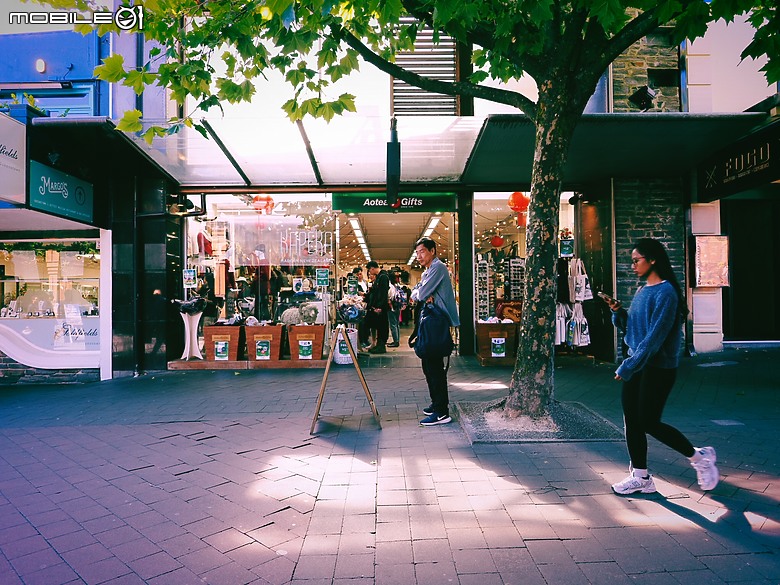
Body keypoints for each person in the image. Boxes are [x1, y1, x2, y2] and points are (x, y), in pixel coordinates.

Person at [604, 238, 718, 495]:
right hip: (637, 363)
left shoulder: (667, 293)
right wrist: (619, 313)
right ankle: (641, 478)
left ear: (652, 259)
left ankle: (699, 457)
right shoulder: (643, 290)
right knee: (632, 421)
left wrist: (627, 366)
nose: (632, 266)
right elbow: (634, 331)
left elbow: (654, 339)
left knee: (648, 422)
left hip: (657, 367)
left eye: (636, 260)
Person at [410, 237, 459, 426]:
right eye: (417, 253)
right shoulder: (428, 270)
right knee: (429, 366)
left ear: (432, 251)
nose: (419, 256)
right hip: (432, 321)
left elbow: (420, 294)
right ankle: (436, 404)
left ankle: (441, 412)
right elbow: (417, 292)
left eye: (422, 251)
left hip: (438, 322)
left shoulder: (437, 268)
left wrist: (421, 293)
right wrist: (420, 292)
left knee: (434, 367)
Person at [365, 261, 391, 353]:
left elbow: (383, 293)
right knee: (379, 326)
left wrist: (380, 306)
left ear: (372, 268)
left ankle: (381, 346)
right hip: (378, 307)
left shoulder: (383, 277)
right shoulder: (379, 277)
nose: (369, 273)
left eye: (369, 270)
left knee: (382, 326)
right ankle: (378, 345)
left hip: (381, 308)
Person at [387, 271, 402, 348]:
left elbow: (389, 297)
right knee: (397, 324)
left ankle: (395, 341)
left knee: (392, 324)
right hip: (398, 306)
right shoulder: (397, 285)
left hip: (392, 306)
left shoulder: (389, 286)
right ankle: (397, 340)